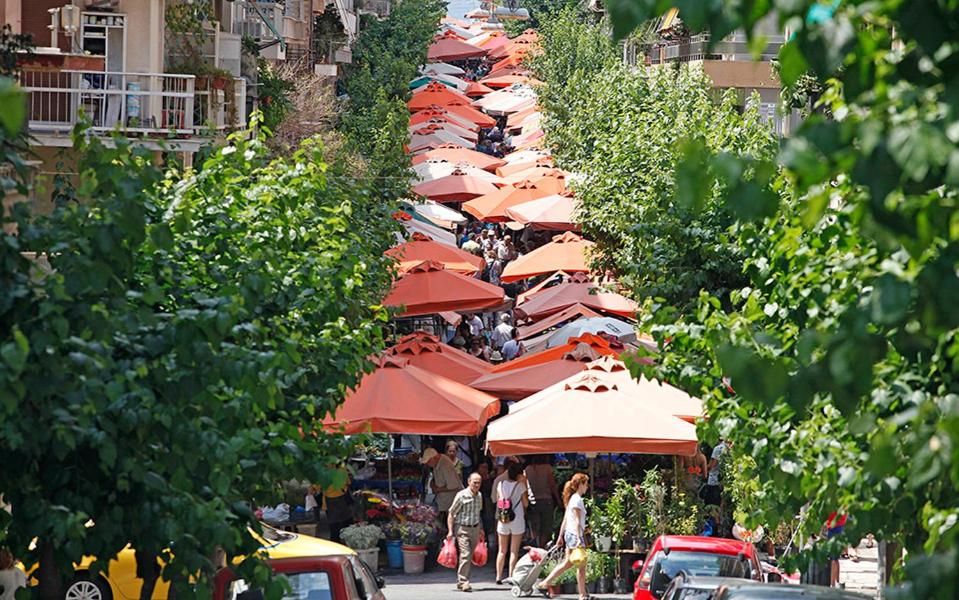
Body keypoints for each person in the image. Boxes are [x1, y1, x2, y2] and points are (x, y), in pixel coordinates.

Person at [537, 473, 590, 600]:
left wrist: (561, 536)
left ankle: (545, 583)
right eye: (586, 484)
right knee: (581, 566)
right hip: (575, 535)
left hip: (569, 534)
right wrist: (578, 539)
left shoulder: (571, 499)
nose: (587, 487)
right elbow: (577, 521)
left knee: (567, 563)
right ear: (580, 485)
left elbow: (566, 519)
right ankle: (582, 595)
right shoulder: (577, 500)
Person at [447, 473, 484, 593]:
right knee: (465, 554)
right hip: (462, 529)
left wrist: (481, 529)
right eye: (475, 482)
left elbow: (479, 513)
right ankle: (463, 581)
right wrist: (450, 531)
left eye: (479, 482)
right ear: (469, 482)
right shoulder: (461, 495)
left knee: (470, 555)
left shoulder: (479, 495)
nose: (477, 485)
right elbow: (452, 513)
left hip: (475, 528)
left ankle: (462, 581)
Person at [494, 462, 529, 585]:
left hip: (503, 519)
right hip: (517, 519)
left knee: (502, 550)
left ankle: (498, 576)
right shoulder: (521, 486)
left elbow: (499, 500)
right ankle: (511, 576)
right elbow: (525, 504)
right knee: (513, 551)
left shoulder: (500, 484)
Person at [422, 447, 463, 533]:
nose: (428, 464)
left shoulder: (445, 465)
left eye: (428, 461)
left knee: (452, 527)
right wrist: (433, 481)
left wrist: (438, 489)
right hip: (444, 502)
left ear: (433, 458)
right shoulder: (437, 462)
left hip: (451, 503)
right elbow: (436, 475)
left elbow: (453, 485)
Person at [525, 455, 561, 548]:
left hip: (532, 502)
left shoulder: (528, 469)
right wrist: (558, 500)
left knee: (535, 526)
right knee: (545, 528)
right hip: (546, 500)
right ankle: (541, 549)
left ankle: (535, 547)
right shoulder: (547, 468)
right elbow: (552, 485)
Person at [320, 466, 353, 544]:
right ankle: (350, 543)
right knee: (347, 522)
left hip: (330, 500)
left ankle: (336, 545)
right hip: (342, 497)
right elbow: (348, 482)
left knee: (334, 526)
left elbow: (317, 486)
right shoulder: (342, 468)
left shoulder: (322, 471)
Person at [703, 439, 730, 506]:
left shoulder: (717, 449)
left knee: (712, 504)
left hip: (714, 481)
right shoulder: (730, 448)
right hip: (725, 481)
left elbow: (712, 465)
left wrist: (702, 467)